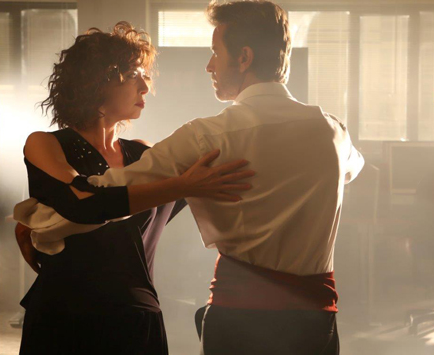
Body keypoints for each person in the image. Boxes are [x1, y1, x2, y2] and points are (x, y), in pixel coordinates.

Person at [17, 0, 364, 355]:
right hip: (316, 319)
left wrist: (41, 219)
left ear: (244, 58)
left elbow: (100, 197)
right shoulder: (333, 132)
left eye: (216, 53)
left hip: (225, 318)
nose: (210, 65)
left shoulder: (205, 138)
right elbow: (352, 169)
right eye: (135, 76)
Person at [14, 22, 254, 355]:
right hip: (65, 315)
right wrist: (181, 185)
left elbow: (197, 187)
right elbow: (83, 203)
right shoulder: (45, 143)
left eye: (145, 76)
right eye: (132, 76)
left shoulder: (144, 154)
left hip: (137, 317)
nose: (145, 87)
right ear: (96, 82)